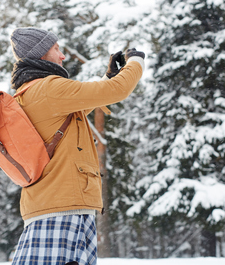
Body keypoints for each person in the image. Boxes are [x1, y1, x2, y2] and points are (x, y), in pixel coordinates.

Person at [8, 27, 145, 265]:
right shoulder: (49, 87)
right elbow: (117, 91)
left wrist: (108, 77)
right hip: (62, 208)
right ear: (40, 55)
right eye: (56, 49)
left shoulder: (29, 91)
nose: (62, 56)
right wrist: (136, 62)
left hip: (52, 205)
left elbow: (81, 107)